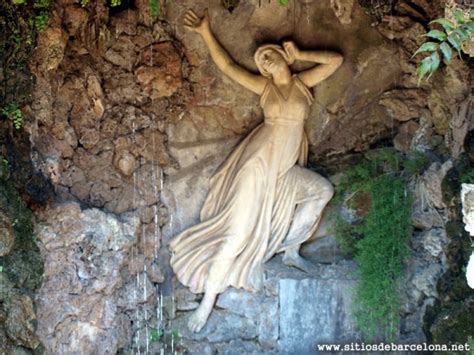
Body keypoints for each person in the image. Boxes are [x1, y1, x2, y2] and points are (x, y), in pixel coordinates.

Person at [169, 8, 343, 332]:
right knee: (236, 236)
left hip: (287, 168)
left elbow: (335, 62)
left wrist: (303, 53)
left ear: (283, 57)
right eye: (261, 61)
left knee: (322, 191)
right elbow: (228, 66)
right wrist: (206, 31)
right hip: (259, 166)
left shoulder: (303, 83)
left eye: (268, 56)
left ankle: (291, 250)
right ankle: (206, 305)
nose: (264, 62)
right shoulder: (265, 89)